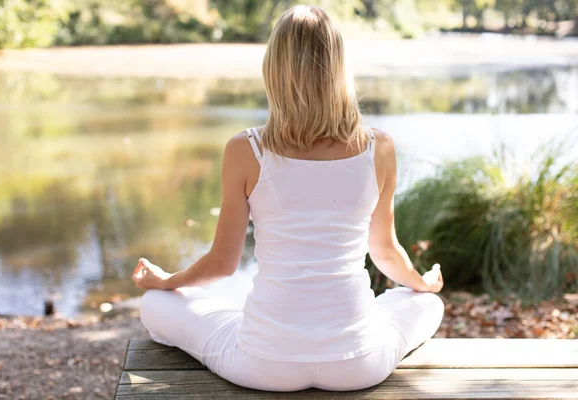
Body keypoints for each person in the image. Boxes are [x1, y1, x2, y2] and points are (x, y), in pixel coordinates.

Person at [132, 4, 444, 392]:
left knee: (155, 305)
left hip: (263, 364)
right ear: (339, 69)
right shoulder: (377, 147)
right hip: (358, 364)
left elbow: (222, 265)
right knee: (427, 304)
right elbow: (385, 253)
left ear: (275, 71)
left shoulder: (246, 149)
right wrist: (423, 284)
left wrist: (167, 282)